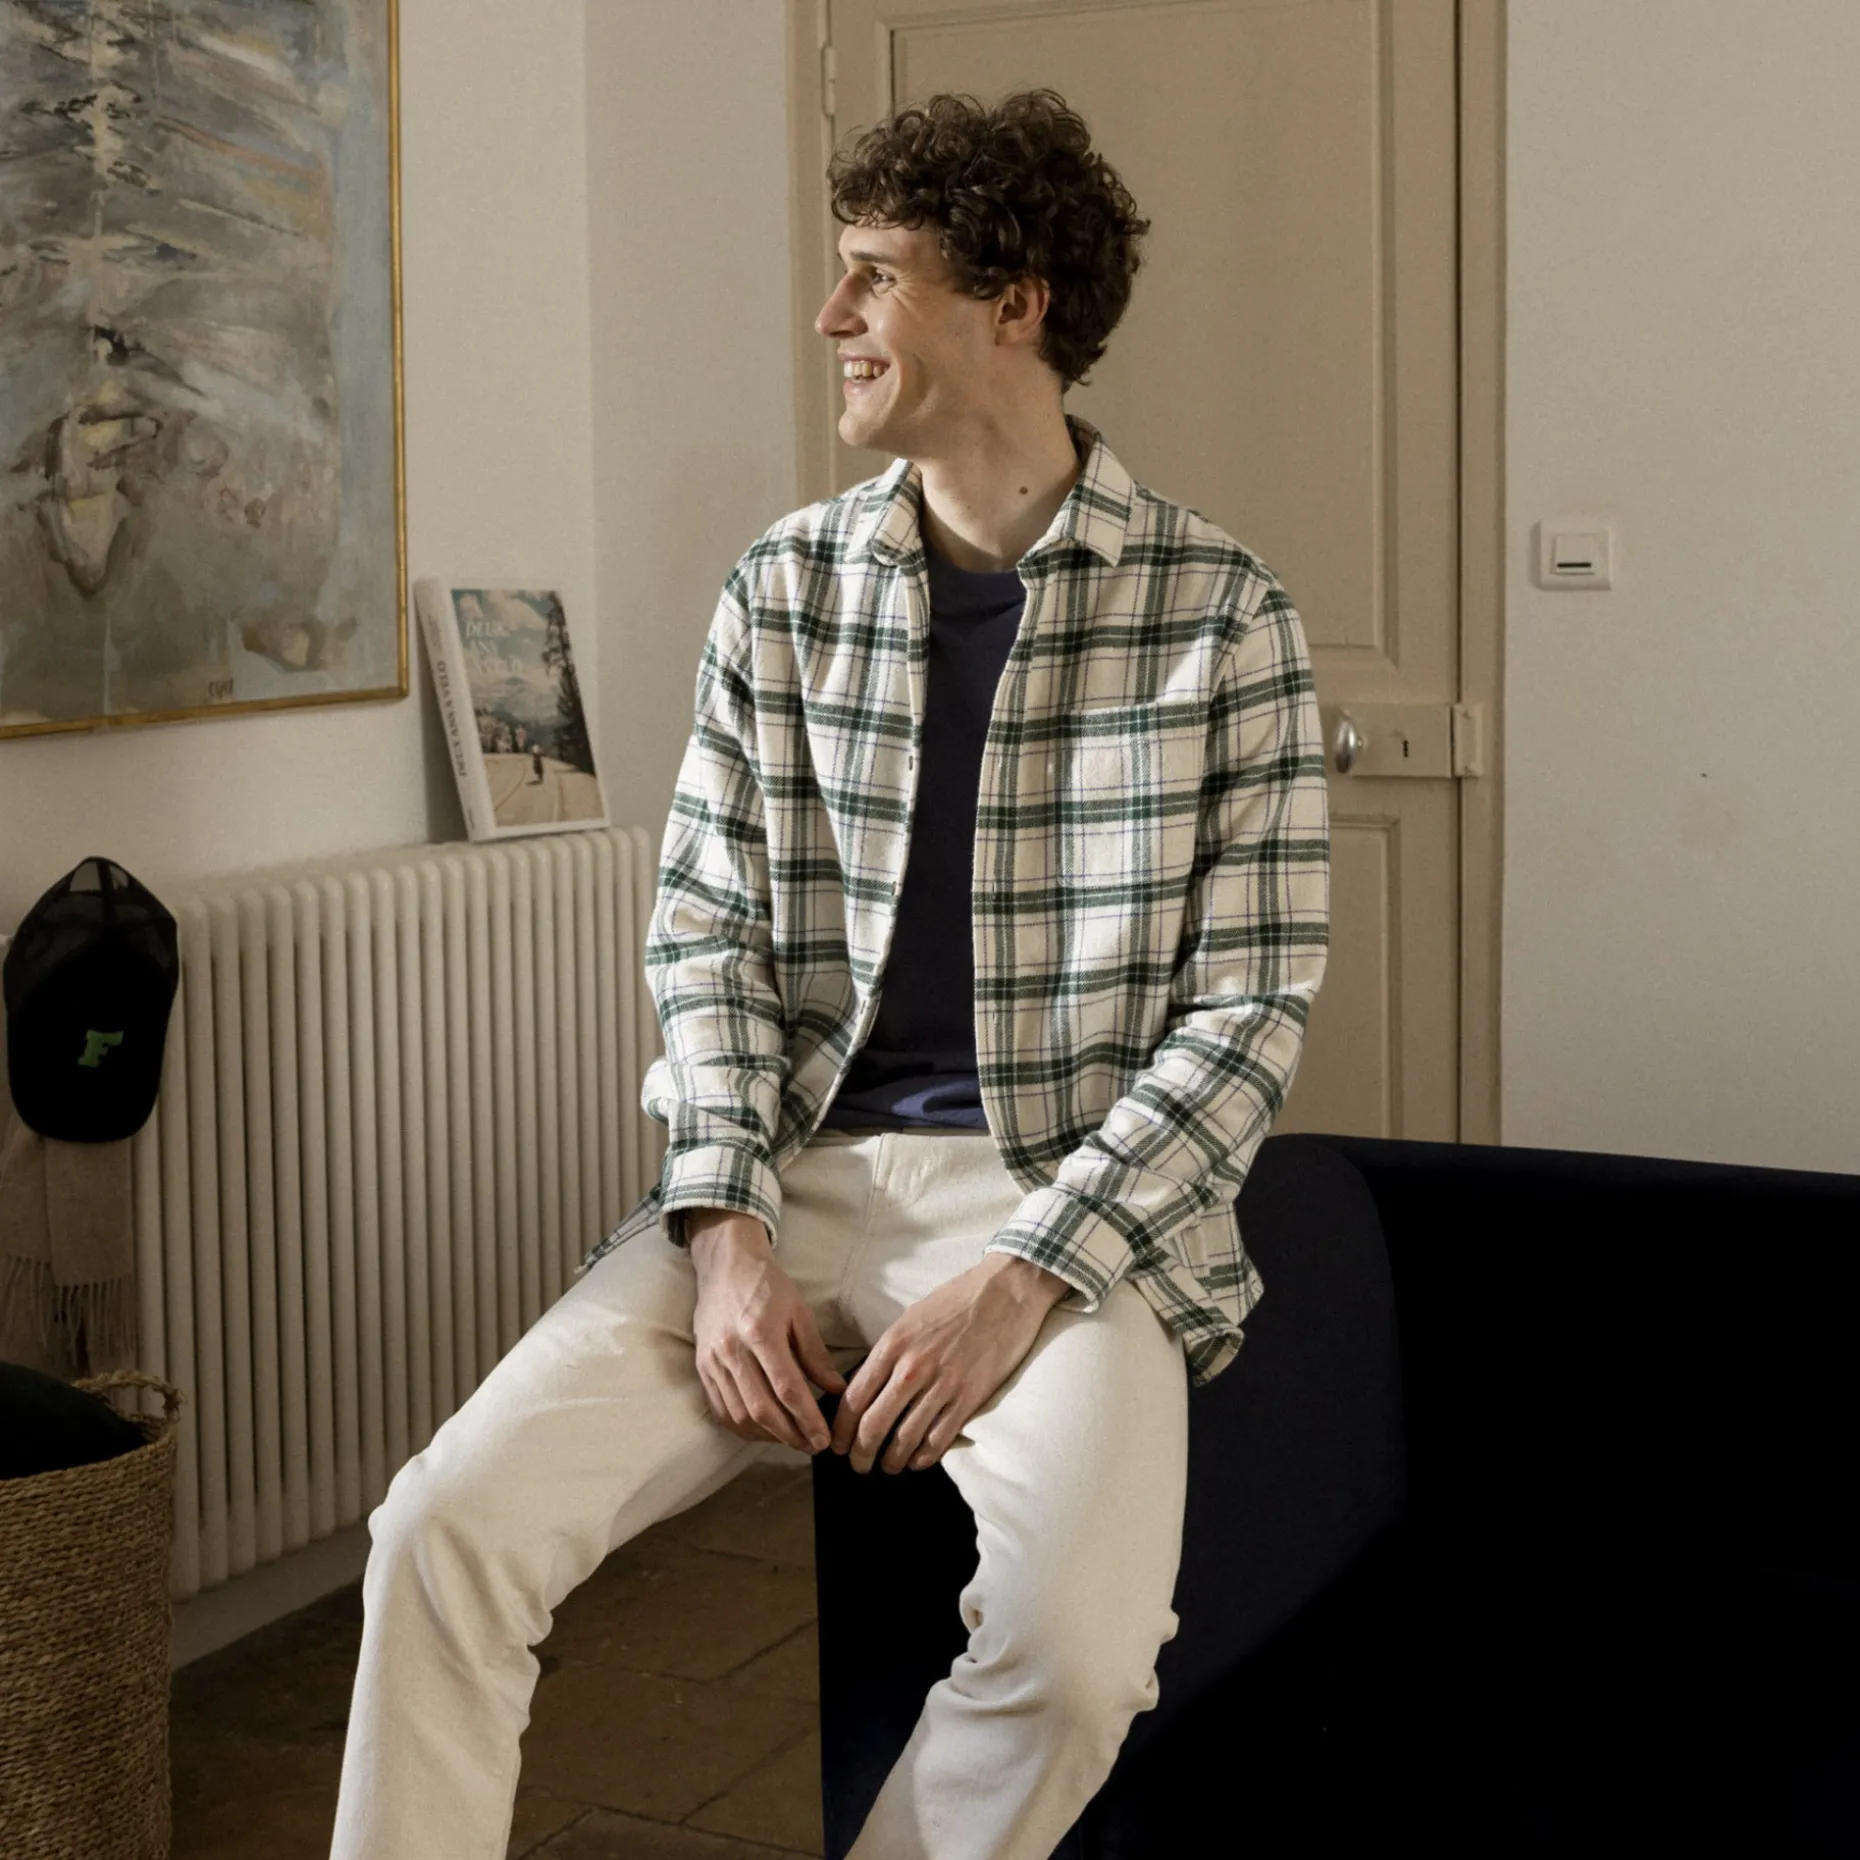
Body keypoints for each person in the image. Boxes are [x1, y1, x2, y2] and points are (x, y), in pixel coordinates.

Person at [330, 87, 1328, 1860]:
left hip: (1055, 1205)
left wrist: (1029, 1274)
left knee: (1077, 1657)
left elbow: (1246, 1013)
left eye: (873, 274)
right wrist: (723, 1235)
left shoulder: (1222, 614)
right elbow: (706, 936)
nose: (829, 315)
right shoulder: (780, 594)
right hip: (780, 1174)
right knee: (439, 1532)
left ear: (1013, 302)